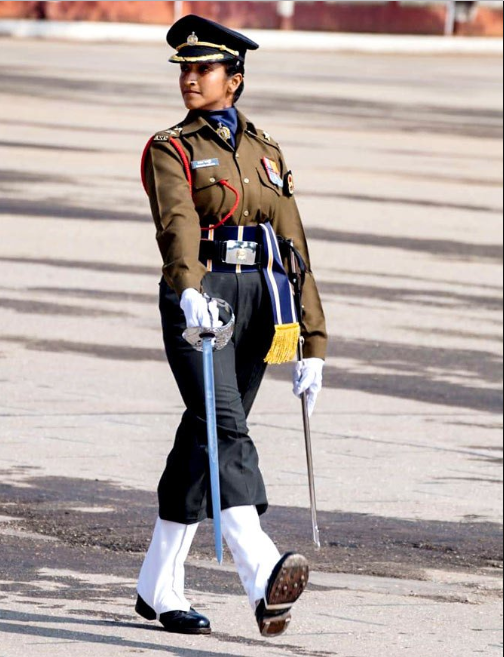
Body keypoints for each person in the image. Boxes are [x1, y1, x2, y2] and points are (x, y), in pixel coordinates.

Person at [136, 14, 328, 639]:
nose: (190, 79)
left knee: (205, 437)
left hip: (258, 302)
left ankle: (157, 585)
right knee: (224, 426)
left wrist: (312, 339)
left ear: (234, 80)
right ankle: (261, 567)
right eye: (185, 70)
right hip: (202, 303)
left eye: (204, 69)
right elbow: (178, 226)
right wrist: (188, 290)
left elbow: (291, 243)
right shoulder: (173, 147)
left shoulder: (265, 151)